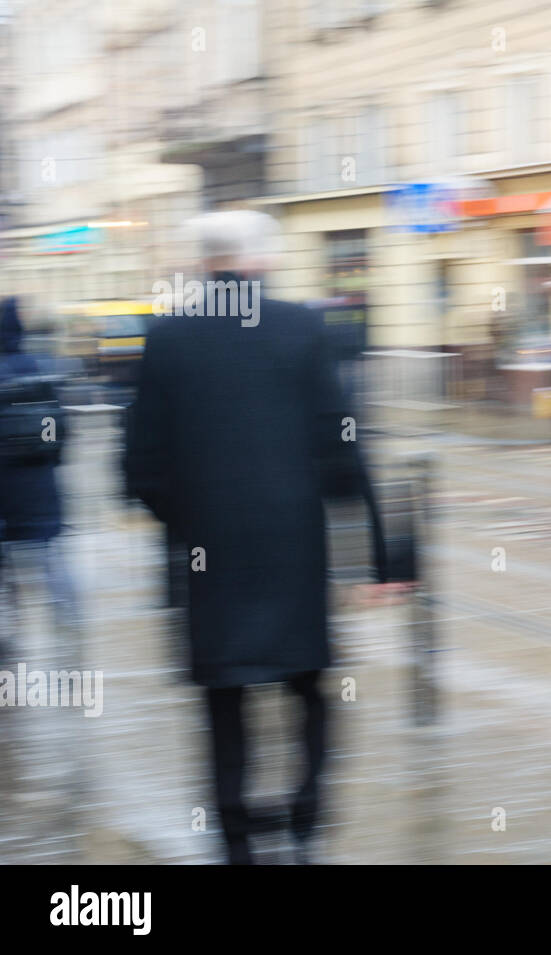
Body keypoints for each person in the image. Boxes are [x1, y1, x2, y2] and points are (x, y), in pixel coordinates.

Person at [124, 211, 387, 864]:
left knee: (224, 702)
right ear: (261, 261)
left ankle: (237, 839)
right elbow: (342, 446)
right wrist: (377, 555)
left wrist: (187, 522)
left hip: (209, 556)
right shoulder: (302, 327)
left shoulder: (166, 336)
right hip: (293, 550)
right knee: (309, 691)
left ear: (203, 261)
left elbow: (139, 465)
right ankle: (304, 821)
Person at [0, 297, 79, 667]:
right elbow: (61, 429)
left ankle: (8, 630)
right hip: (39, 486)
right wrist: (51, 463)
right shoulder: (38, 368)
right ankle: (69, 622)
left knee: (6, 565)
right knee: (50, 558)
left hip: (6, 489)